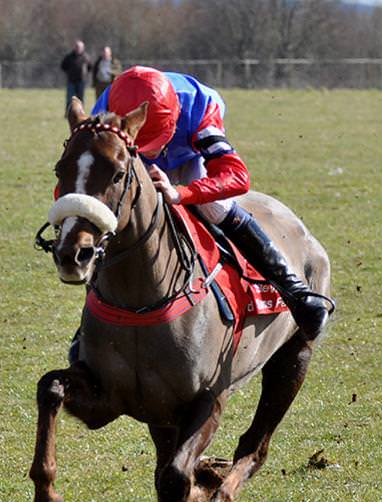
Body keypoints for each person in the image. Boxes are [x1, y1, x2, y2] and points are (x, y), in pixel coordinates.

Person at [91, 66, 333, 343]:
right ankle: (92, 321)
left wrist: (181, 193)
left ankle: (295, 291)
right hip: (127, 156)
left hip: (188, 157)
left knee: (215, 208)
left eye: (154, 142)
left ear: (174, 119)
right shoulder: (104, 114)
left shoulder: (200, 108)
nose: (152, 152)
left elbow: (237, 178)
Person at [60, 39, 91, 111]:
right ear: (74, 47)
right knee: (70, 98)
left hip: (81, 81)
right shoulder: (69, 57)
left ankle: (81, 113)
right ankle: (68, 113)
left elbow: (90, 67)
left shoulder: (85, 57)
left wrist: (84, 74)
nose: (78, 48)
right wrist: (69, 72)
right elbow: (63, 66)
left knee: (80, 98)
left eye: (80, 47)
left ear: (83, 48)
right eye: (77, 47)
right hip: (71, 81)